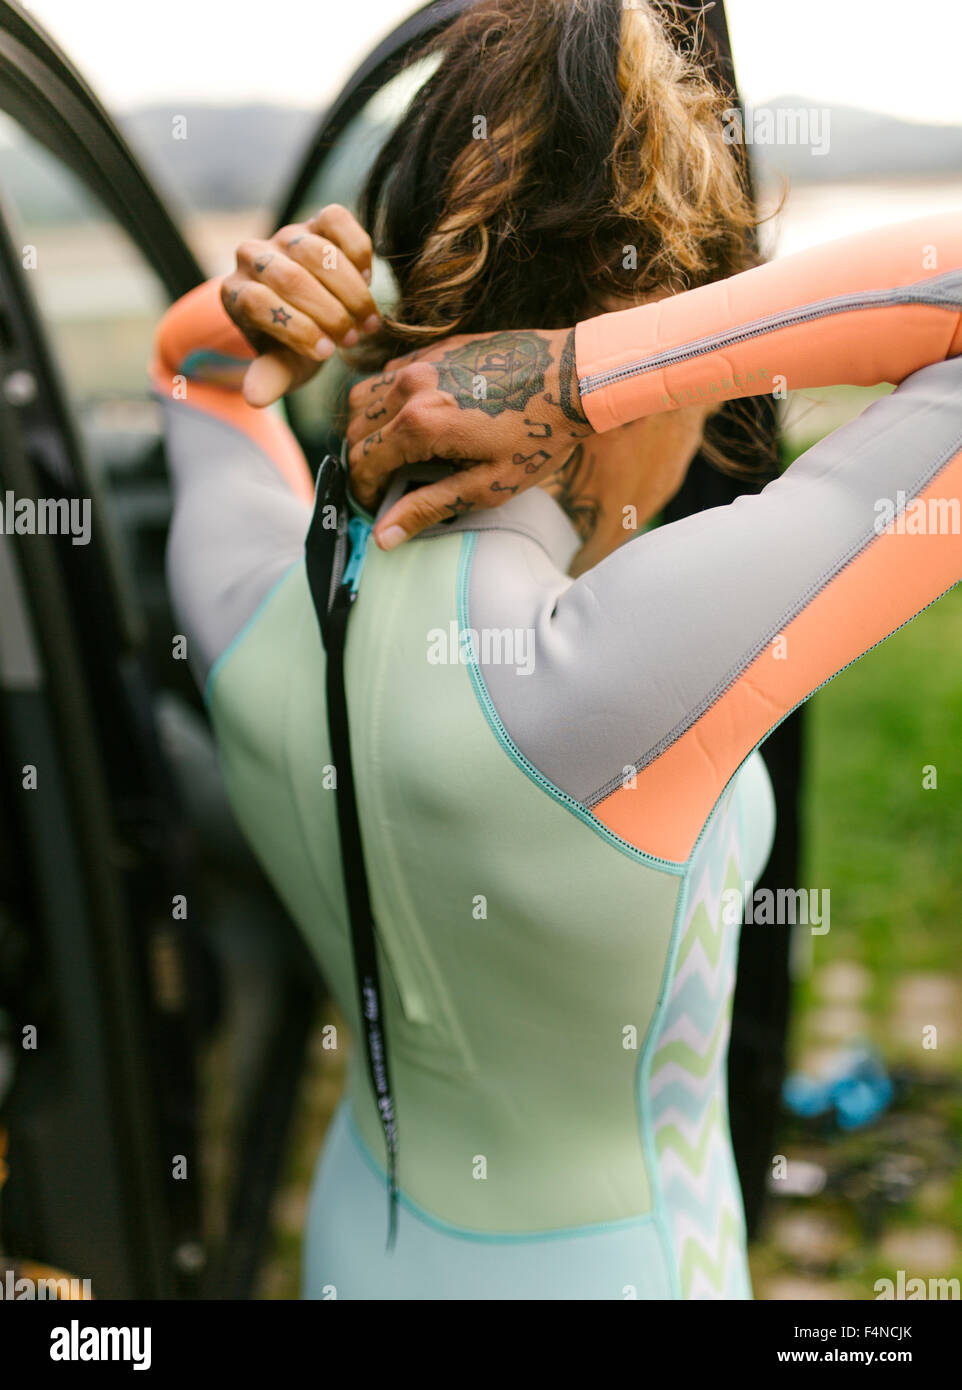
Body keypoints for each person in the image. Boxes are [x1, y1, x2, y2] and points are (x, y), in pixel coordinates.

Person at [152, 0, 962, 1299]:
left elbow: (187, 372)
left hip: (359, 1247)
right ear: (675, 324)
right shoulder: (604, 668)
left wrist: (309, 297)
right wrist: (587, 373)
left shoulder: (256, 591)